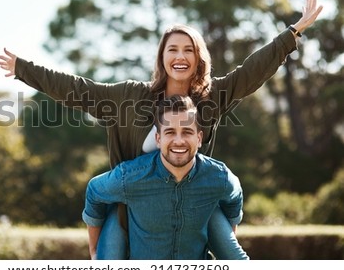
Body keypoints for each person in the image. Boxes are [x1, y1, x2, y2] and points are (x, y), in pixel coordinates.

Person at [0, 0, 323, 259]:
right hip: (130, 207)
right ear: (162, 57)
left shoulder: (213, 98)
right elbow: (76, 90)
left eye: (188, 50)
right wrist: (24, 69)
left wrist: (294, 32)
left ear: (199, 58)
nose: (180, 56)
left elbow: (253, 71)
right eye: (172, 49)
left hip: (193, 202)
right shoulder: (128, 97)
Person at [82, 95, 243, 259]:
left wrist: (226, 241)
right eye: (170, 132)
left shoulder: (219, 178)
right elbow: (94, 191)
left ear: (199, 138)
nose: (179, 141)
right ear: (158, 139)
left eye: (187, 132)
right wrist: (94, 249)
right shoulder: (130, 178)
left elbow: (234, 197)